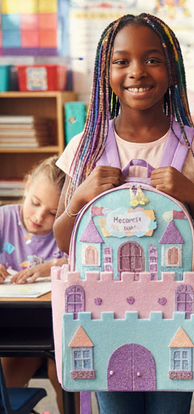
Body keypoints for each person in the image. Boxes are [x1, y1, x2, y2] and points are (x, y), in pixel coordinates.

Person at [53, 13, 194, 414]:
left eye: (152, 59)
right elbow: (65, 242)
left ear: (172, 70)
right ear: (105, 72)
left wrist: (192, 197)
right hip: (102, 319)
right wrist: (79, 199)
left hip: (175, 319)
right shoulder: (86, 146)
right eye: (121, 61)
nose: (137, 72)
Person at [0, 156, 71, 413]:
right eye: (35, 203)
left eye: (54, 212)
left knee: (65, 375)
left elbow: (87, 264)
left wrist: (53, 265)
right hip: (16, 328)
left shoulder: (67, 231)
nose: (40, 217)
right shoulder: (4, 218)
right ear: (26, 186)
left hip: (61, 329)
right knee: (5, 394)